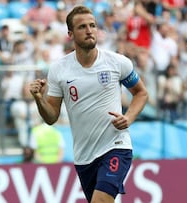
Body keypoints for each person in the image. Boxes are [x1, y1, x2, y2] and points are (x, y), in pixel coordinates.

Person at [29, 5, 148, 203]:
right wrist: (39, 99)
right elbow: (51, 117)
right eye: (82, 26)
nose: (89, 30)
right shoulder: (59, 70)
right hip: (84, 157)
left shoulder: (117, 63)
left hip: (116, 146)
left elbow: (141, 93)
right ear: (70, 34)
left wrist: (129, 117)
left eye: (92, 25)